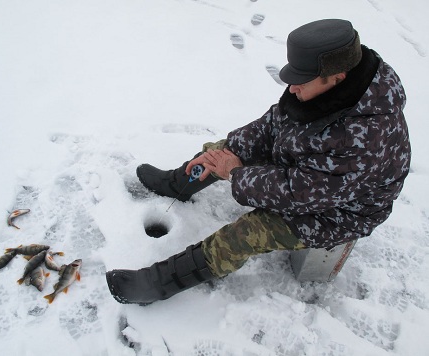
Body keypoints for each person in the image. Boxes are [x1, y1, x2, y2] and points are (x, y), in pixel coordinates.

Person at [105, 19, 411, 305]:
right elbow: (273, 124)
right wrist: (228, 153)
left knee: (245, 234)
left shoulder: (367, 138)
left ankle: (156, 285)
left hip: (339, 211)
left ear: (337, 78)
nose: (292, 88)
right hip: (308, 172)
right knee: (221, 151)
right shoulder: (325, 88)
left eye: (301, 80)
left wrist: (236, 173)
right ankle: (177, 185)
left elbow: (297, 195)